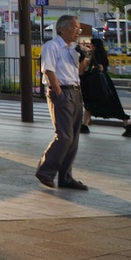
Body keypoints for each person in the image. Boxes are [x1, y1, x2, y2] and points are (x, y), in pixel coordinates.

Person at [36, 14, 88, 190]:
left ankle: (65, 177)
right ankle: (45, 171)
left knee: (73, 139)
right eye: (74, 27)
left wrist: (83, 58)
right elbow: (48, 70)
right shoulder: (51, 46)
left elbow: (79, 72)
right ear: (62, 29)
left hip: (76, 91)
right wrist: (58, 93)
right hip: (62, 91)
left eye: (79, 28)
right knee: (64, 136)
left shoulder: (73, 48)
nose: (78, 31)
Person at [81, 37, 131, 137]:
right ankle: (128, 126)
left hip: (99, 84)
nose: (89, 45)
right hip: (105, 82)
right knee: (113, 105)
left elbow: (98, 67)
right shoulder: (101, 53)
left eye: (91, 44)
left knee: (91, 103)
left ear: (94, 45)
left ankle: (84, 126)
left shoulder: (96, 54)